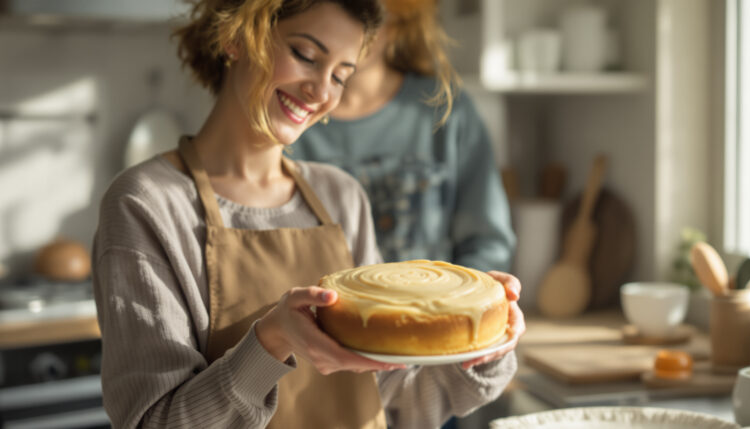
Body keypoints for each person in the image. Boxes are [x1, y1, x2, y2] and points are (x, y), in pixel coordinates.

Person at [92, 0, 525, 428]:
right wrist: (271, 341)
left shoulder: (340, 196)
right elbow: (154, 422)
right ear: (236, 37)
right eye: (305, 55)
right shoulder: (146, 203)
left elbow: (391, 398)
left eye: (340, 75)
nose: (321, 92)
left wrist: (487, 340)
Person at [290, 0, 515, 274]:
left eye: (368, 13)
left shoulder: (445, 110)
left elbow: (487, 241)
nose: (351, 26)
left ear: (397, 24)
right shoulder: (288, 116)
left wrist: (459, 305)